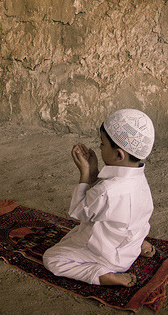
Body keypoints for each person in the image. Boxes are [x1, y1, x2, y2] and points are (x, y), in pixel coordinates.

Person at [43, 108, 155, 287]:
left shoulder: (108, 189)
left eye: (102, 144)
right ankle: (136, 245)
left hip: (109, 258)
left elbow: (79, 212)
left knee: (52, 259)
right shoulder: (139, 178)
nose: (100, 147)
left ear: (119, 155)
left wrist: (86, 173)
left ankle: (103, 275)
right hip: (129, 246)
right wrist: (95, 172)